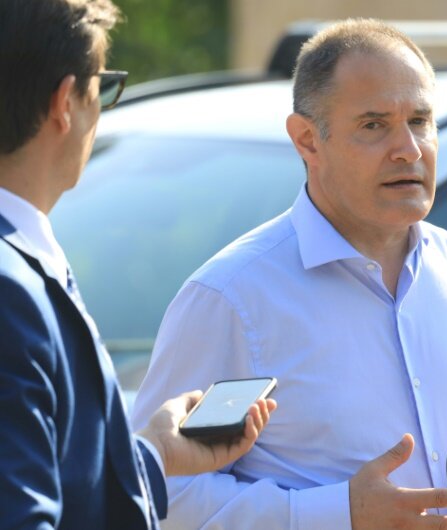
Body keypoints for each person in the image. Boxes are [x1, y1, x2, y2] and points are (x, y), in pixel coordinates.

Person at [131, 17, 447, 530]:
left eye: (421, 120)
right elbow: (155, 496)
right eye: (374, 124)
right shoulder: (233, 297)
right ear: (307, 140)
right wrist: (337, 513)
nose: (409, 148)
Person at [0, 1, 275, 528]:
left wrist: (156, 453)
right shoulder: (11, 290)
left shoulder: (24, 265)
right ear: (64, 102)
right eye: (103, 86)